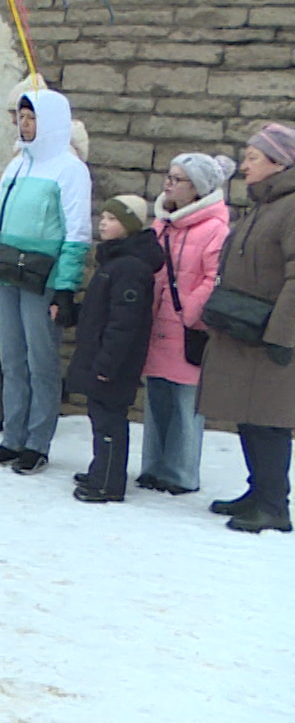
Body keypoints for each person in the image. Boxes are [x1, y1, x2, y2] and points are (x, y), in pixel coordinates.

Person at [0, 84, 92, 475]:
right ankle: (12, 436)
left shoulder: (70, 169)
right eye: (21, 118)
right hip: (7, 268)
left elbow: (76, 232)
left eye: (32, 118)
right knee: (11, 357)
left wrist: (65, 285)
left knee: (40, 359)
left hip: (42, 275)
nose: (24, 125)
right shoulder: (18, 165)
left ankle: (37, 441)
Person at [198, 124, 295, 534]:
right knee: (250, 415)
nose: (244, 165)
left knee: (271, 420)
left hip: (273, 336)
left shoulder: (291, 207)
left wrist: (282, 336)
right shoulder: (263, 204)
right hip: (247, 330)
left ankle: (274, 506)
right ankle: (259, 492)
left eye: (253, 158)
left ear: (279, 162)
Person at [137, 152, 233, 495]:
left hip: (187, 329)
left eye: (178, 179)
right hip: (157, 325)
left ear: (198, 189)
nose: (169, 184)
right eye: (169, 176)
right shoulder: (162, 224)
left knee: (185, 404)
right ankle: (153, 466)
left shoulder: (214, 229)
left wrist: (189, 312)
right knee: (157, 396)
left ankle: (180, 473)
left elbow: (214, 277)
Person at [62, 196, 164, 503]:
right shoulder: (114, 262)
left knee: (109, 420)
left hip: (115, 362)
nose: (103, 223)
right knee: (99, 416)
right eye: (103, 217)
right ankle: (101, 470)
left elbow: (124, 324)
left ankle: (108, 482)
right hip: (102, 357)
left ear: (129, 225)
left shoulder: (131, 268)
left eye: (112, 218)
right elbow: (101, 311)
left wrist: (107, 365)